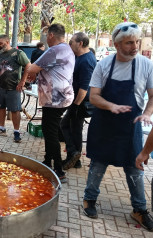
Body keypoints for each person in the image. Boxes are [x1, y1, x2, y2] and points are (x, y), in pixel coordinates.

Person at [81, 22, 153, 231]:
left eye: (137, 42)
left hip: (131, 126)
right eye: (129, 42)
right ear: (117, 44)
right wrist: (111, 106)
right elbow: (93, 97)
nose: (135, 46)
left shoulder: (145, 64)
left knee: (135, 167)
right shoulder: (104, 65)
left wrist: (147, 113)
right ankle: (89, 199)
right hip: (104, 123)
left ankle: (139, 209)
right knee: (98, 164)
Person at [26, 24, 75, 182]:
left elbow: (32, 68)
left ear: (52, 35)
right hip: (60, 97)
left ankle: (59, 170)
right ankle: (48, 162)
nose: (46, 38)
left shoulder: (55, 50)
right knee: (49, 131)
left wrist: (24, 61)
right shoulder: (67, 49)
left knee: (51, 133)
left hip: (55, 99)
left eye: (47, 35)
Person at [0, 34, 31, 142]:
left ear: (7, 42)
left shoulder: (18, 53)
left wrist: (23, 81)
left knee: (15, 110)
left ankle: (16, 131)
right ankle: (1, 128)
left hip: (14, 88)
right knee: (0, 108)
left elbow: (28, 65)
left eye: (1, 43)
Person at [60, 32, 97, 170]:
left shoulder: (87, 60)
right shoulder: (80, 57)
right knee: (75, 129)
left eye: (72, 42)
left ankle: (73, 154)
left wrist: (75, 105)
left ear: (80, 43)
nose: (70, 44)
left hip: (80, 102)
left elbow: (84, 87)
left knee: (65, 125)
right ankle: (75, 160)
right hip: (76, 100)